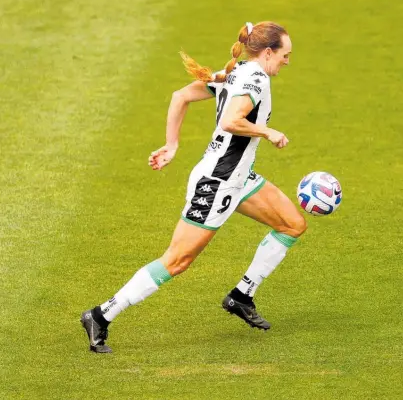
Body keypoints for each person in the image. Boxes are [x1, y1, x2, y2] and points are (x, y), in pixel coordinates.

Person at [81, 21, 307, 353]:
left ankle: (241, 295)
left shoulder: (237, 71)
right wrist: (268, 132)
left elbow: (181, 96)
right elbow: (231, 120)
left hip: (239, 178)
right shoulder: (255, 79)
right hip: (217, 183)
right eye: (285, 55)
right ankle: (100, 315)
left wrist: (172, 145)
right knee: (177, 260)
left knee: (292, 224)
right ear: (269, 52)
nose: (288, 61)